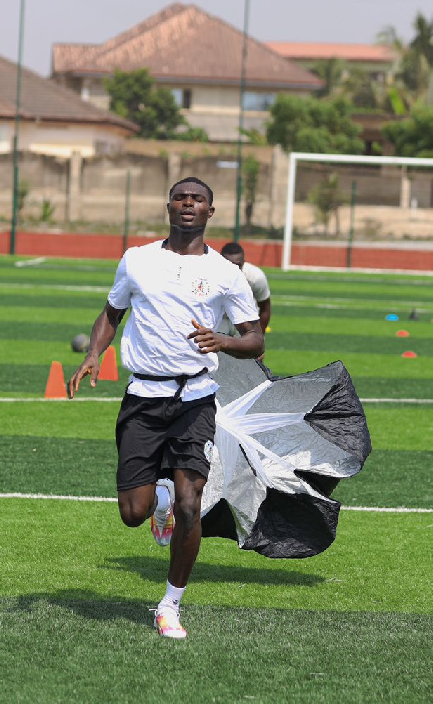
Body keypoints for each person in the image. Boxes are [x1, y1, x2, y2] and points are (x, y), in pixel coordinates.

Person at [68, 177, 263, 639]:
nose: (188, 204)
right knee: (132, 513)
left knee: (191, 505)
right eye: (181, 198)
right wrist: (94, 352)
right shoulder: (137, 260)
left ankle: (170, 605)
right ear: (169, 207)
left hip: (195, 399)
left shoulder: (226, 274)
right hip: (142, 396)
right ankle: (157, 501)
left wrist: (226, 341)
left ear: (210, 212)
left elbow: (255, 338)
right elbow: (112, 313)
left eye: (198, 200)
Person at [219, 241, 271, 335]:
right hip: (219, 320)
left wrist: (258, 335)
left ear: (244, 261)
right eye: (230, 265)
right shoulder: (210, 275)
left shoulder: (255, 277)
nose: (234, 269)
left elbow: (265, 308)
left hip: (245, 320)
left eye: (238, 265)